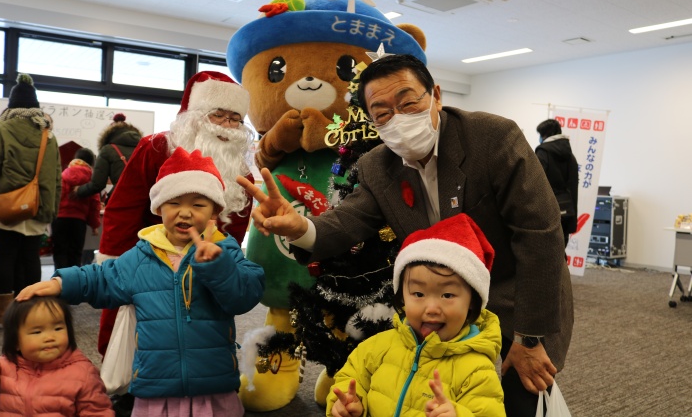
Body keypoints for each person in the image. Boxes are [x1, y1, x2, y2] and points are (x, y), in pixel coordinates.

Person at [237, 54, 574, 417]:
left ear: (437, 96)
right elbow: (347, 221)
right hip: (437, 305)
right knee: (435, 400)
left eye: (408, 102)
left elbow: (540, 235)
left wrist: (530, 338)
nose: (397, 118)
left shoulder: (492, 138)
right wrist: (300, 226)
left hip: (514, 299)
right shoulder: (378, 166)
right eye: (382, 113)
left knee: (515, 400)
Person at [17, 147, 266, 416]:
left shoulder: (225, 250)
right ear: (159, 208)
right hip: (156, 382)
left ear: (215, 210)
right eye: (174, 203)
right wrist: (61, 283)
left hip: (212, 381)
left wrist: (218, 267)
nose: (184, 213)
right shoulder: (142, 255)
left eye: (197, 204)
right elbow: (102, 277)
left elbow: (245, 294)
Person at [96, 70, 255, 366]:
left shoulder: (239, 165)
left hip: (205, 265)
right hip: (148, 262)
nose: (227, 126)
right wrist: (115, 260)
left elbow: (238, 220)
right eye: (218, 115)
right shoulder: (156, 148)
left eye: (235, 119)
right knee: (140, 335)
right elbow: (124, 208)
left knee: (201, 330)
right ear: (196, 114)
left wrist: (225, 263)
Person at [327, 214, 505, 417]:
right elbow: (351, 377)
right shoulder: (377, 347)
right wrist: (350, 403)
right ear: (402, 297)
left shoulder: (477, 371)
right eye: (418, 294)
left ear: (471, 303)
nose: (431, 308)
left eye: (447, 295)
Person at [0, 73, 61, 327]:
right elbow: (55, 177)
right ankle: (30, 312)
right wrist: (51, 209)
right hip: (36, 207)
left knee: (6, 257)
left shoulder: (2, 128)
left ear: (12, 105)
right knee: (31, 258)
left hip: (7, 206)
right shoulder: (48, 134)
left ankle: (5, 315)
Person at [0, 296, 113, 415]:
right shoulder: (2, 368)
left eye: (58, 328)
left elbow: (98, 411)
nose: (50, 337)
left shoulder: (83, 373)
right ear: (15, 342)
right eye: (37, 332)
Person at [74, 113, 143, 203]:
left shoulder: (108, 150)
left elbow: (97, 184)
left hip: (122, 201)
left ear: (109, 134)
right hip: (145, 201)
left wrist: (78, 191)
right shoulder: (143, 147)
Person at [52, 147, 101, 270]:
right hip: (79, 222)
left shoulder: (63, 174)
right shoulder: (91, 178)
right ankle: (73, 283)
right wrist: (94, 225)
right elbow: (94, 203)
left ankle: (59, 283)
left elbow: (56, 197)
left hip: (60, 219)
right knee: (75, 254)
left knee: (60, 252)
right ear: (91, 163)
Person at [536, 119, 579, 245]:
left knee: (546, 253)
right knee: (561, 252)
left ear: (545, 135)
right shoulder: (570, 156)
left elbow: (536, 183)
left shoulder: (542, 153)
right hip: (567, 211)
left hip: (548, 213)